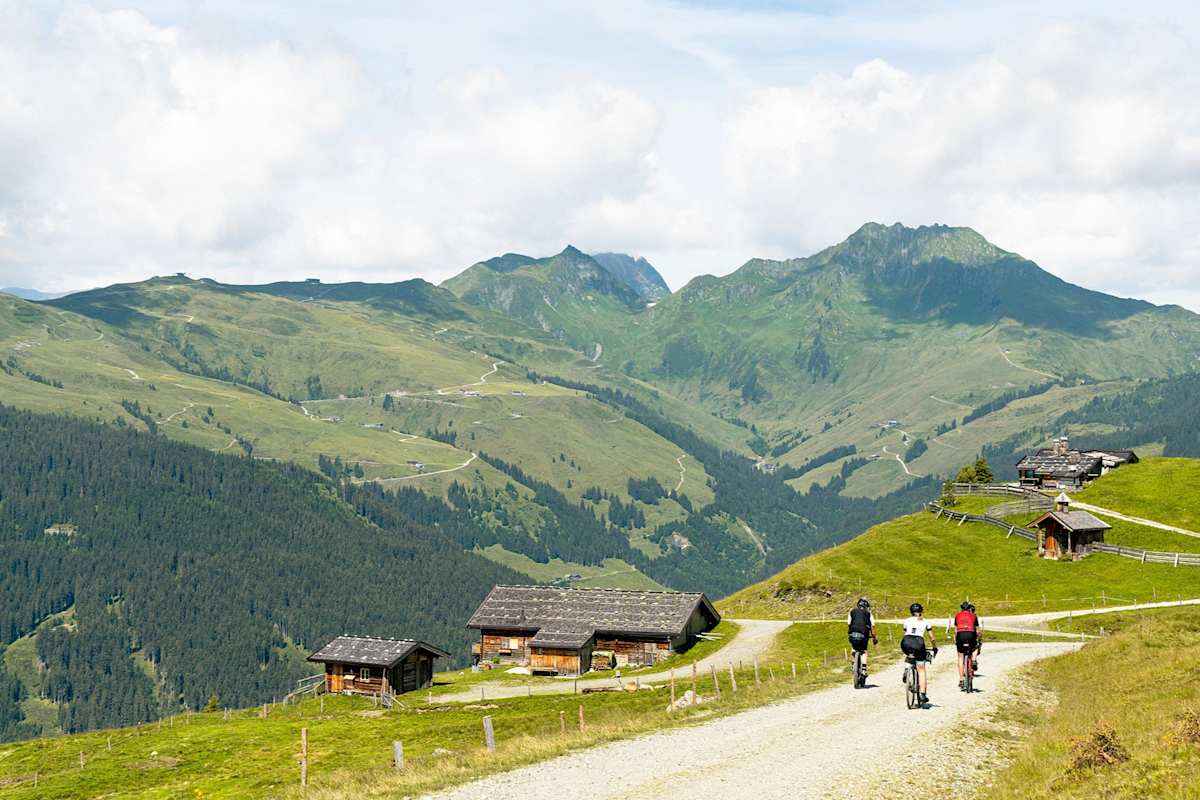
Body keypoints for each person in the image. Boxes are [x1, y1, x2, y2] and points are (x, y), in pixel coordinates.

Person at [900, 602, 938, 705]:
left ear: (911, 612)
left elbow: (906, 632)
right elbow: (932, 637)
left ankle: (907, 668)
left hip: (906, 641)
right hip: (918, 642)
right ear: (921, 612)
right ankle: (922, 694)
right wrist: (934, 647)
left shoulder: (907, 620)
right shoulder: (925, 621)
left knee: (909, 655)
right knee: (921, 669)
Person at [948, 601, 983, 689]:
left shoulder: (957, 615)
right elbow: (978, 631)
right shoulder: (974, 616)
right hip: (971, 635)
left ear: (961, 608)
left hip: (960, 635)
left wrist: (955, 640)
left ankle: (961, 679)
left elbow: (956, 630)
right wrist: (978, 639)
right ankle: (974, 659)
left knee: (960, 657)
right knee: (975, 647)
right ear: (969, 608)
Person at [847, 597, 878, 674]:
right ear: (867, 606)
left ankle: (853, 665)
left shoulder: (852, 611)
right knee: (864, 651)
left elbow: (849, 624)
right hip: (864, 633)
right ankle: (864, 669)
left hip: (853, 632)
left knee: (854, 648)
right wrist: (874, 639)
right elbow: (872, 628)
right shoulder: (869, 614)